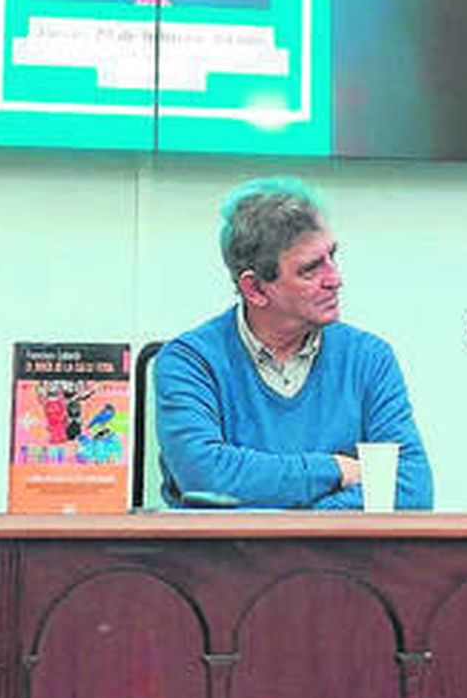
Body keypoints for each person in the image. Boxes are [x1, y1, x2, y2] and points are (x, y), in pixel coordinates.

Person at [154, 178, 433, 509]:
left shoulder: (369, 358)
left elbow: (410, 487)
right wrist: (334, 469)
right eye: (311, 269)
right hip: (227, 547)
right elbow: (208, 476)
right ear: (255, 289)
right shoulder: (189, 362)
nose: (335, 279)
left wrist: (304, 523)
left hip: (338, 546)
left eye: (332, 256)